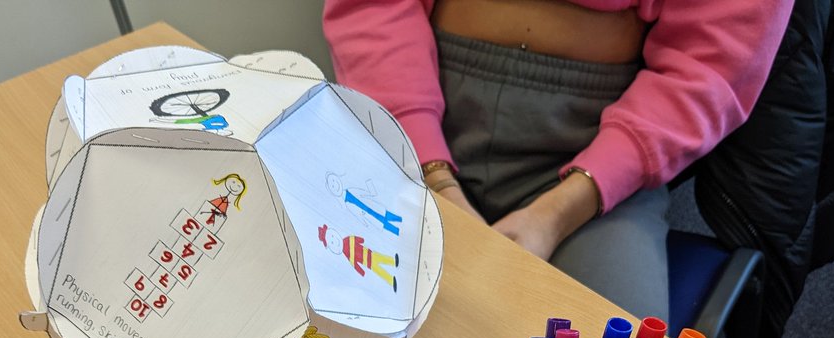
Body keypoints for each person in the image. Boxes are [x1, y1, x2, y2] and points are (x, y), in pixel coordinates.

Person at [322, 0, 793, 320]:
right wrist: (428, 172)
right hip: (403, 119)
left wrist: (555, 215)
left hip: (599, 157)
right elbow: (373, 10)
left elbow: (710, 65)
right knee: (329, 325)